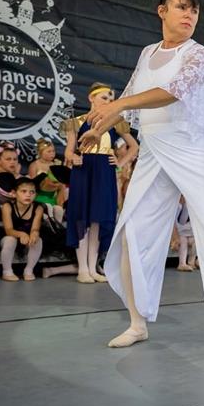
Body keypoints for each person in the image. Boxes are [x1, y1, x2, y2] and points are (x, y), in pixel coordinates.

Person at [78, 0, 204, 348]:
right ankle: (137, 322)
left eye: (195, 11)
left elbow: (172, 91)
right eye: (182, 8)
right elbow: (129, 100)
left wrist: (117, 107)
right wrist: (99, 128)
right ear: (162, 11)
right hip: (155, 150)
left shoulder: (198, 54)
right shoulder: (147, 52)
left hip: (193, 146)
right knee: (132, 231)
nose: (189, 15)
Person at [65, 84, 139, 284]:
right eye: (104, 97)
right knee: (81, 218)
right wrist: (74, 157)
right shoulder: (75, 122)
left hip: (104, 172)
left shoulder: (116, 122)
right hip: (83, 171)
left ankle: (92, 267)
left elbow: (134, 146)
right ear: (91, 97)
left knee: (98, 220)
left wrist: (120, 163)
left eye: (111, 98)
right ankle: (82, 269)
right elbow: (68, 152)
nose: (108, 101)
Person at [0, 177, 44, 282]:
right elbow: (9, 230)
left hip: (27, 238)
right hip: (10, 235)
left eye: (32, 192)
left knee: (38, 240)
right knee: (10, 240)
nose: (28, 195)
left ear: (36, 195)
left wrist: (34, 233)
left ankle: (29, 270)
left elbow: (35, 228)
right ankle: (7, 271)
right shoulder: (8, 206)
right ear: (14, 193)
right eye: (23, 191)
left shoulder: (38, 208)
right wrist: (21, 234)